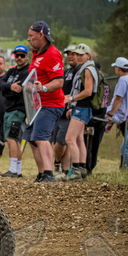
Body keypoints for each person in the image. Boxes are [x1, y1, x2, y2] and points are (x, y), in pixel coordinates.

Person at [24, 21, 65, 183]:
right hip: (37, 105)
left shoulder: (53, 54)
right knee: (32, 138)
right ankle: (41, 173)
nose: (28, 39)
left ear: (41, 35)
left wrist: (44, 88)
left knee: (41, 136)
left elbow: (59, 81)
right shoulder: (37, 53)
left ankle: (49, 173)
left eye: (31, 36)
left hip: (50, 104)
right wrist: (27, 86)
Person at [62, 43, 98, 181]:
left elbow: (88, 91)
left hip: (82, 107)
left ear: (88, 56)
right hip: (82, 107)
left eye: (81, 55)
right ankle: (82, 169)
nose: (78, 57)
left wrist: (71, 98)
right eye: (77, 54)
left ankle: (75, 170)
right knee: (79, 139)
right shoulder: (86, 68)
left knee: (69, 139)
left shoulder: (87, 70)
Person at [0, 45, 31, 178]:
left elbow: (18, 90)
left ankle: (12, 170)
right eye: (16, 55)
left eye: (22, 55)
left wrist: (8, 89)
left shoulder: (27, 72)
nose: (18, 58)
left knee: (11, 138)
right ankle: (17, 170)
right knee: (15, 140)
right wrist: (9, 86)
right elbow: (0, 85)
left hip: (18, 109)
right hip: (9, 109)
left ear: (27, 57)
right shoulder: (12, 71)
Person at [106, 57, 128, 168]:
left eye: (115, 67)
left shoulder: (123, 80)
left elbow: (119, 98)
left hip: (117, 113)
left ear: (118, 69)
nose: (115, 69)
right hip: (125, 114)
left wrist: (111, 114)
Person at [53, 45, 78, 175]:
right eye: (68, 54)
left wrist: (73, 106)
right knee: (61, 141)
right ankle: (65, 169)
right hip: (59, 110)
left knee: (62, 141)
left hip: (70, 111)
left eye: (72, 54)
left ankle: (57, 163)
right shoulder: (66, 71)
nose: (70, 57)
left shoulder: (80, 72)